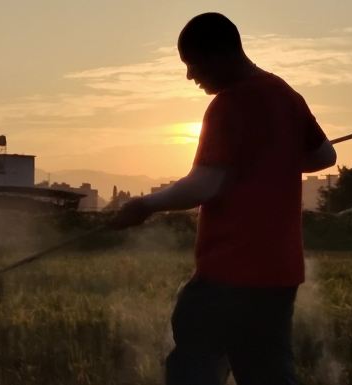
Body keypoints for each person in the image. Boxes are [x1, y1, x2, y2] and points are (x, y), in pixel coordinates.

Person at [113, 12, 336, 385]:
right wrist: (271, 159)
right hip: (280, 272)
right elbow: (324, 155)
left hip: (231, 269)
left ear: (220, 55)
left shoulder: (229, 104)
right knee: (267, 372)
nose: (191, 77)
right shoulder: (285, 93)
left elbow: (205, 184)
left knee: (194, 365)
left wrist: (144, 205)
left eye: (193, 65)